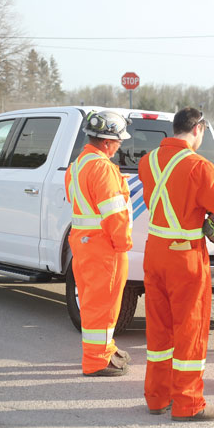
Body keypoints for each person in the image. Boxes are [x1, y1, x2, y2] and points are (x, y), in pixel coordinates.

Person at [139, 107, 214, 422]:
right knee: (190, 329)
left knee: (159, 330)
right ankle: (188, 403)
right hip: (184, 255)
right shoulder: (198, 166)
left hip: (155, 251)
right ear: (199, 129)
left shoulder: (147, 162)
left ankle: (157, 397)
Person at [66, 110, 134, 377]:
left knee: (92, 301)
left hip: (84, 244)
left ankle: (104, 349)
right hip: (104, 246)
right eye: (118, 141)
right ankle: (96, 360)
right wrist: (123, 243)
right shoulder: (103, 168)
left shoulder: (77, 165)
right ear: (107, 142)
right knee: (103, 304)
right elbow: (114, 213)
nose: (120, 146)